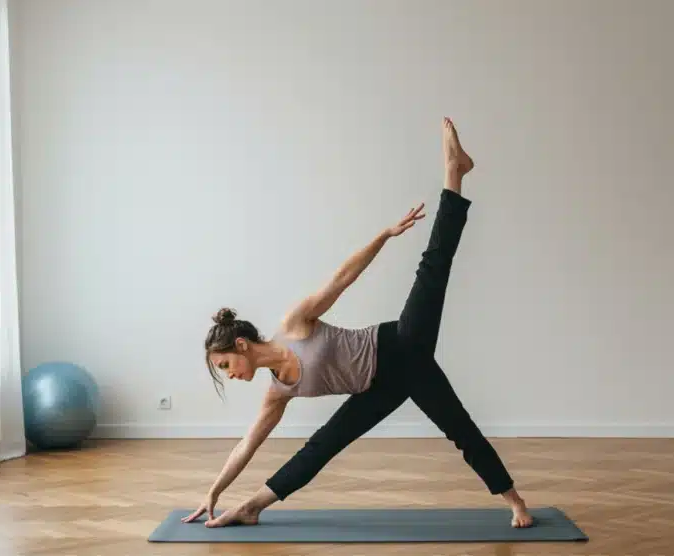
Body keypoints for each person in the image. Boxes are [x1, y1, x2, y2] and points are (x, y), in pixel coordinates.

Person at [188, 117, 533, 529]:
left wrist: (384, 236)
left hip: (400, 346)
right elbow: (247, 444)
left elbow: (341, 278)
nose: (230, 374)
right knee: (322, 445)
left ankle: (453, 173)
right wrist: (214, 491)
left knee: (433, 272)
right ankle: (251, 506)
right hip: (378, 387)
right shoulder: (277, 392)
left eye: (225, 365)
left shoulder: (294, 325)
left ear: (241, 345)